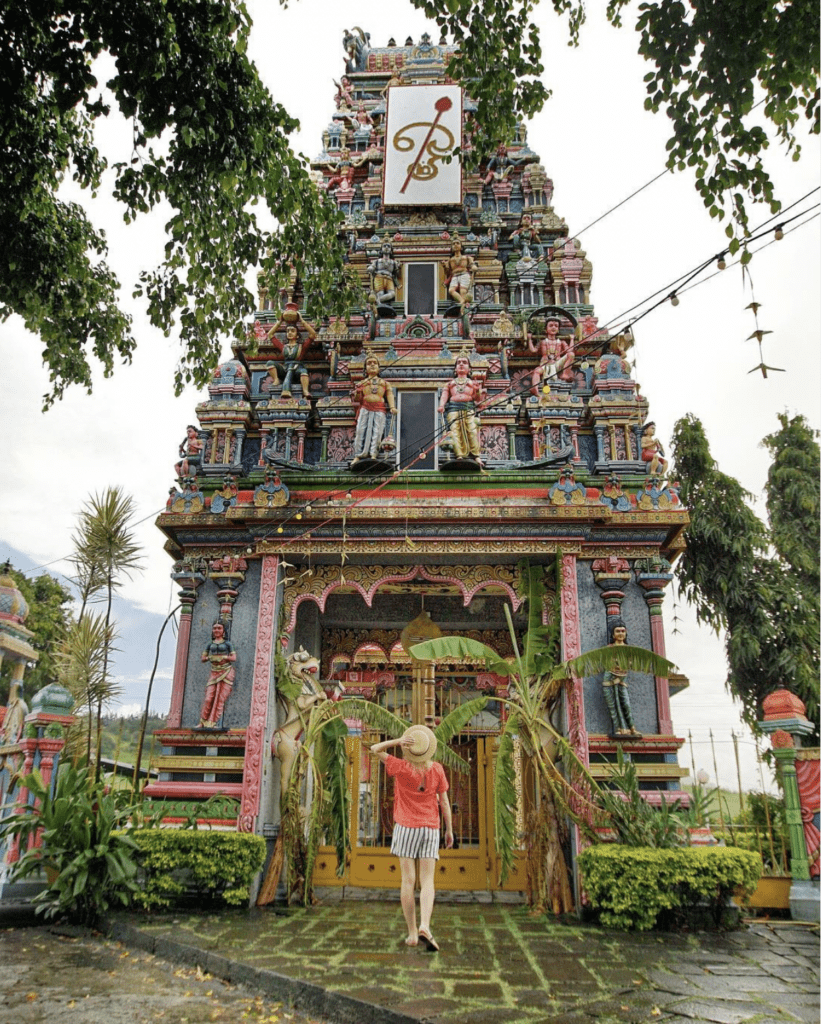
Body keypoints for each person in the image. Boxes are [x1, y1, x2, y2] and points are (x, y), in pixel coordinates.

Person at [367, 725, 453, 951]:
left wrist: (397, 741)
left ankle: (413, 933)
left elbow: (374, 749)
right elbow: (444, 802)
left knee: (407, 880)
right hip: (430, 828)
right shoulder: (437, 769)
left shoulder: (401, 767)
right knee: (427, 881)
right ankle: (425, 924)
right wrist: (449, 830)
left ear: (409, 749)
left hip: (405, 827)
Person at [438, 354, 485, 462]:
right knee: (454, 431)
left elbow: (478, 400)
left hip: (468, 408)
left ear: (469, 369)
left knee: (472, 430)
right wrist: (441, 405)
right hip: (453, 409)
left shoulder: (472, 383)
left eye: (464, 362)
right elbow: (445, 395)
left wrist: (478, 390)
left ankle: (476, 456)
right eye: (459, 362)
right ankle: (459, 455)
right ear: (455, 369)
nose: (461, 364)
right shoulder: (450, 383)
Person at [351, 355, 397, 464]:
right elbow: (358, 399)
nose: (372, 365)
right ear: (365, 368)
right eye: (369, 363)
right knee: (360, 431)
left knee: (377, 431)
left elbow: (390, 394)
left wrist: (392, 407)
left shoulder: (384, 383)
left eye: (375, 363)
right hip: (365, 408)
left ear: (379, 367)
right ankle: (358, 455)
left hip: (379, 409)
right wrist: (357, 392)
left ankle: (373, 454)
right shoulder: (362, 383)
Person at [601, 622, 640, 738]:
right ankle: (619, 728)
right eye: (617, 631)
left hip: (622, 680)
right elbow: (607, 663)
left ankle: (632, 728)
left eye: (623, 631)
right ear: (613, 635)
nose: (620, 633)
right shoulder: (609, 648)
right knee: (613, 706)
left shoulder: (628, 650)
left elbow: (629, 664)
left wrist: (619, 677)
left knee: (626, 705)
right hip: (609, 680)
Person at [199, 621, 236, 728]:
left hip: (226, 671)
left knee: (220, 698)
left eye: (219, 628)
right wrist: (211, 658)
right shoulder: (210, 644)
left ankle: (213, 722)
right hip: (214, 672)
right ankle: (203, 721)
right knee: (208, 698)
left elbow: (233, 658)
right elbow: (203, 658)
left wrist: (224, 657)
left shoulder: (227, 644)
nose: (216, 630)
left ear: (223, 631)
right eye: (214, 628)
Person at [527, 318, 573, 394]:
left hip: (557, 364)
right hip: (545, 364)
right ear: (546, 329)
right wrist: (529, 339)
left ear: (558, 329)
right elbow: (533, 350)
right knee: (536, 371)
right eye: (551, 325)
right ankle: (535, 388)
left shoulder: (561, 342)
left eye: (556, 326)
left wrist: (572, 339)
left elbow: (570, 351)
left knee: (571, 355)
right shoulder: (542, 342)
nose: (553, 328)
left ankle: (565, 374)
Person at [440, 238, 476, 309]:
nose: (455, 245)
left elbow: (472, 264)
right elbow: (447, 272)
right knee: (451, 290)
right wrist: (444, 266)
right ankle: (462, 302)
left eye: (457, 243)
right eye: (453, 244)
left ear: (461, 247)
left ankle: (463, 306)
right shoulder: (450, 260)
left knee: (463, 291)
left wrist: (474, 267)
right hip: (455, 276)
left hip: (464, 275)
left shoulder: (466, 258)